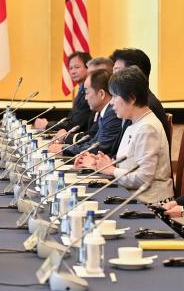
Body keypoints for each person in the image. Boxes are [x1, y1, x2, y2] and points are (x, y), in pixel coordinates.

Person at [76, 66, 173, 204]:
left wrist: (111, 170)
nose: (112, 102)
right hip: (131, 196)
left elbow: (143, 179)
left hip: (150, 205)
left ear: (131, 98)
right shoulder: (133, 122)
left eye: (115, 96)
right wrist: (100, 163)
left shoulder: (147, 128)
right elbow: (129, 163)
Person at [110, 48, 171, 150]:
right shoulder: (133, 102)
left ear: (134, 73)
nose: (113, 76)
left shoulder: (146, 106)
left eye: (117, 71)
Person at [50, 69, 121, 157]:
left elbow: (98, 148)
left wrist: (64, 149)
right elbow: (93, 142)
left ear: (101, 94)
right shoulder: (106, 112)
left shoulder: (112, 114)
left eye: (87, 93)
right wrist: (66, 147)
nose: (86, 98)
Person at [35, 51, 93, 136]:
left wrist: (47, 125)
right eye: (70, 68)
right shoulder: (81, 90)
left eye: (77, 67)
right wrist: (48, 124)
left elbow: (75, 125)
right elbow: (70, 120)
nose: (73, 71)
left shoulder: (90, 93)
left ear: (88, 68)